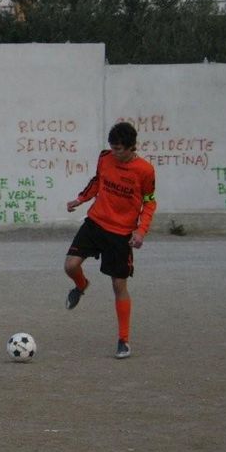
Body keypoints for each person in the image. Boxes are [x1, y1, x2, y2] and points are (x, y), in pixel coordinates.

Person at [64, 121, 157, 359]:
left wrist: (141, 231)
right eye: (112, 147)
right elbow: (98, 181)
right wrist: (80, 200)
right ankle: (81, 285)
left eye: (119, 149)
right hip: (96, 223)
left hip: (121, 233)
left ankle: (123, 340)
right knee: (70, 266)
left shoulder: (145, 171)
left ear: (131, 147)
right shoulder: (105, 158)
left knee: (118, 285)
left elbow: (149, 202)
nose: (114, 152)